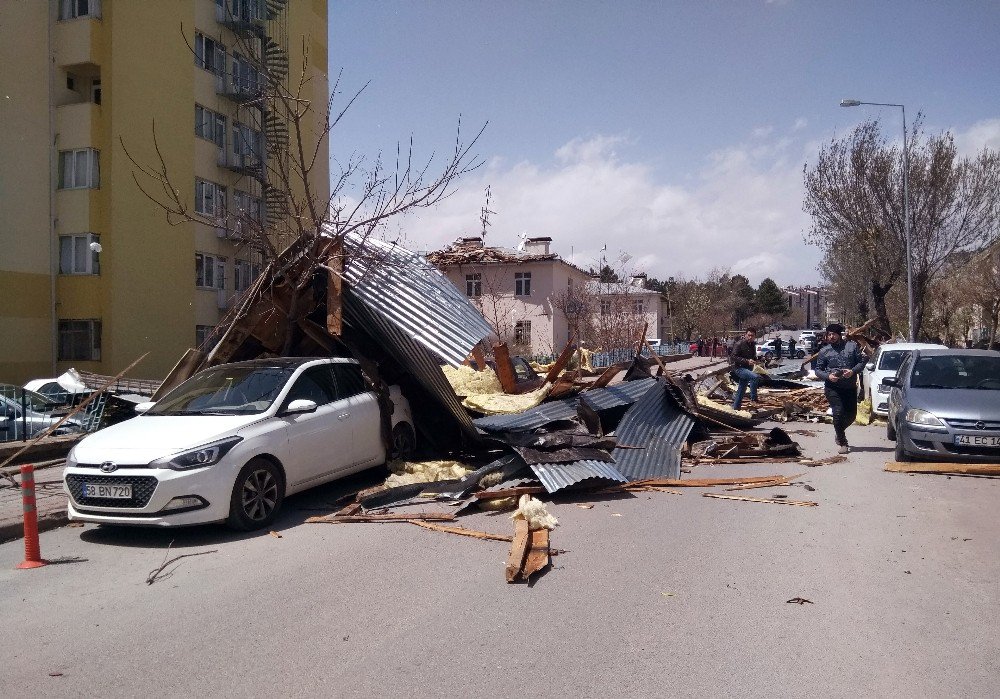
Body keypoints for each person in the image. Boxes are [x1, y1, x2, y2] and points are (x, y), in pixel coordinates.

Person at [815, 323, 868, 454]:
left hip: (849, 387)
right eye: (829, 334)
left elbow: (862, 361)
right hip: (832, 388)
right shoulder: (824, 351)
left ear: (840, 335)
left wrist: (853, 371)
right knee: (838, 413)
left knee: (851, 415)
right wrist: (828, 376)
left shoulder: (852, 347)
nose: (831, 337)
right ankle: (843, 442)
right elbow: (817, 370)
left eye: (834, 334)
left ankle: (838, 432)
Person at [730, 328, 761, 410]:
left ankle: (735, 408)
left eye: (752, 335)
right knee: (755, 377)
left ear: (755, 336)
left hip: (748, 369)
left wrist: (756, 360)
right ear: (745, 335)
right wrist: (747, 361)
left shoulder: (753, 345)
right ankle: (753, 399)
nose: (750, 337)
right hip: (739, 368)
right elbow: (733, 357)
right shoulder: (739, 344)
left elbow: (753, 357)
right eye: (749, 335)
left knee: (741, 390)